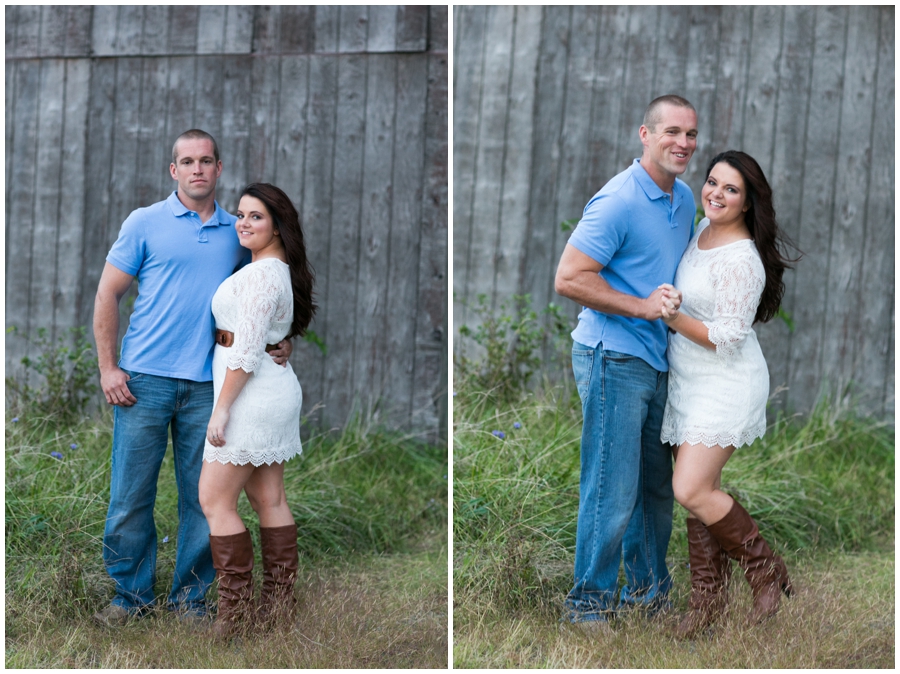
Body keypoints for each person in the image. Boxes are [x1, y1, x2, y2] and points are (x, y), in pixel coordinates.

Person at [92, 130, 292, 627]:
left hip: (208, 384)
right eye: (187, 161)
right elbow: (107, 295)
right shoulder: (145, 223)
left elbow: (264, 295)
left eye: (206, 161)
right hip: (142, 381)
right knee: (129, 496)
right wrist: (108, 367)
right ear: (173, 171)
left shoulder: (239, 231)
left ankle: (192, 601)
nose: (197, 169)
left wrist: (281, 340)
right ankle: (130, 598)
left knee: (202, 499)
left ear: (219, 169)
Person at [554, 95, 698, 628]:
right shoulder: (617, 200)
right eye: (671, 132)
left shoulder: (684, 199)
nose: (682, 143)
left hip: (659, 360)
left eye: (690, 134)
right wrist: (641, 307)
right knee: (612, 487)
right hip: (612, 356)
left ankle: (648, 596)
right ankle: (587, 604)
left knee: (657, 487)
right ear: (645, 133)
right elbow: (569, 277)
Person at [658, 150, 798, 638]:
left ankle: (764, 572)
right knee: (701, 496)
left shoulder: (742, 260)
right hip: (688, 380)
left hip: (726, 382)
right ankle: (705, 607)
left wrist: (674, 317)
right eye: (712, 182)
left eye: (730, 189)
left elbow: (727, 336)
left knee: (690, 489)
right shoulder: (701, 228)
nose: (716, 193)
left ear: (747, 202)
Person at [197, 183, 316, 638]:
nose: (243, 223)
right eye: (241, 215)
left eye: (256, 217)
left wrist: (221, 411)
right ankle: (278, 610)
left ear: (278, 226)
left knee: (214, 498)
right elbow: (262, 337)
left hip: (251, 395)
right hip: (267, 386)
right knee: (270, 499)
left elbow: (245, 350)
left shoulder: (265, 273)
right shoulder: (269, 269)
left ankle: (235, 616)